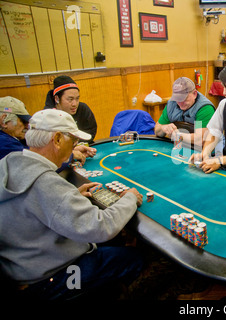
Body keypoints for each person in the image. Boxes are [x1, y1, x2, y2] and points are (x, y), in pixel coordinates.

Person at [0, 109, 144, 300]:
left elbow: (31, 206)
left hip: (19, 266)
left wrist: (69, 198)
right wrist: (130, 198)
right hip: (50, 280)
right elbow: (101, 227)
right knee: (135, 259)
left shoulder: (8, 163)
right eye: (73, 141)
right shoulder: (45, 182)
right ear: (58, 139)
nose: (75, 146)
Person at [0, 96, 96, 165]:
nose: (27, 125)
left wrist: (69, 149)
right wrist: (68, 156)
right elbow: (36, 165)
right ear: (4, 121)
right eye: (22, 120)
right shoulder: (3, 143)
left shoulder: (11, 137)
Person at [154, 77, 215, 147]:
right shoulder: (171, 104)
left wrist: (178, 136)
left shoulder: (203, 109)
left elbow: (199, 140)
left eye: (184, 99)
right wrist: (163, 128)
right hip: (180, 147)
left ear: (194, 94)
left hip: (205, 152)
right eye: (177, 99)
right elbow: (157, 130)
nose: (180, 103)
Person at [44, 75, 97, 144]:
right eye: (70, 99)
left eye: (77, 98)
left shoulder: (83, 108)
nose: (74, 104)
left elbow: (90, 132)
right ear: (57, 99)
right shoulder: (48, 116)